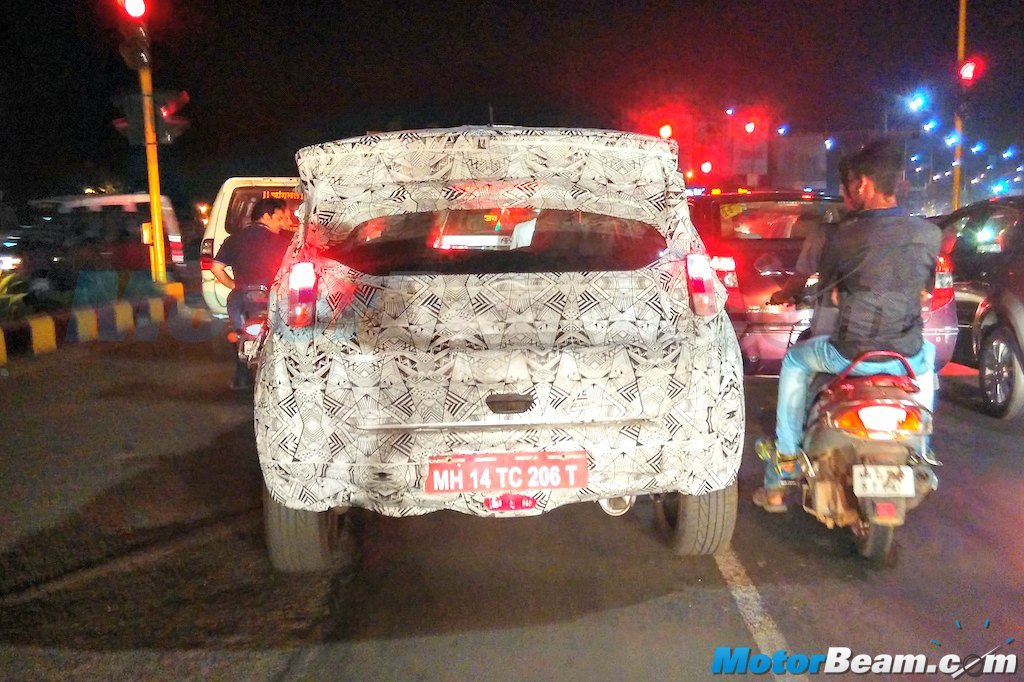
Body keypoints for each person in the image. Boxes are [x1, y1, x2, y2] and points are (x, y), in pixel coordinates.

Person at [753, 139, 941, 512]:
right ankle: (921, 452)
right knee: (930, 363)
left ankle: (786, 460)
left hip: (849, 354)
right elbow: (924, 295)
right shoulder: (930, 235)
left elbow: (834, 296)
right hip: (908, 354)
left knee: (795, 363)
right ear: (899, 182)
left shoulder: (842, 237)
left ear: (866, 185)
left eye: (855, 183)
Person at [210, 198, 294, 389]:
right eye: (279, 218)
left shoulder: (234, 239)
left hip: (242, 299)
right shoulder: (284, 242)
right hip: (273, 299)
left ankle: (241, 377)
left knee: (240, 335)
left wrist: (234, 284)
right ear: (266, 216)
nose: (281, 224)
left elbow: (216, 268)